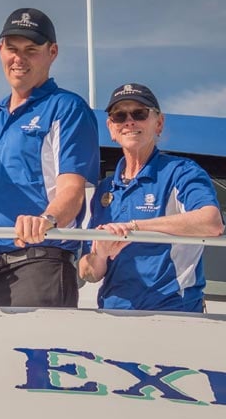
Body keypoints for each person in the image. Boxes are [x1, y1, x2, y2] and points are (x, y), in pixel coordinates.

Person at [0, 7, 99, 307]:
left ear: (52, 52)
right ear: (0, 50)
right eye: (12, 49)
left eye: (31, 50)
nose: (19, 59)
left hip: (36, 267)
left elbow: (72, 191)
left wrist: (46, 220)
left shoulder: (67, 109)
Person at [79, 83, 224, 312]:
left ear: (159, 123)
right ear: (111, 128)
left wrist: (134, 227)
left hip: (174, 313)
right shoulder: (104, 189)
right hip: (112, 317)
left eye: (139, 113)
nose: (129, 121)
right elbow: (89, 273)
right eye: (119, 116)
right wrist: (100, 254)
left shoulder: (182, 172)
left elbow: (211, 222)